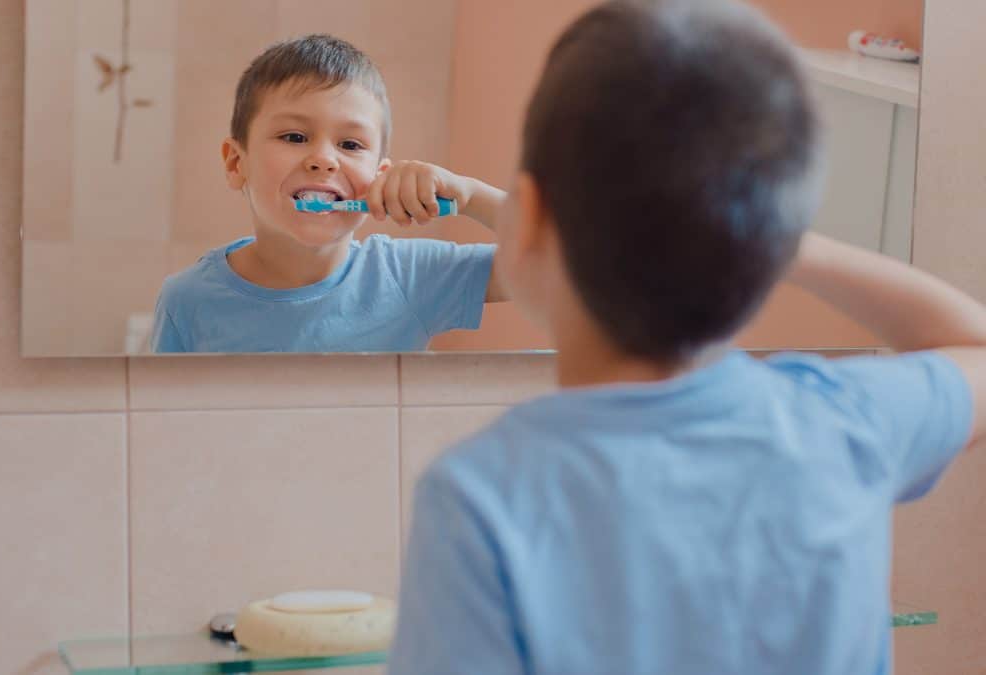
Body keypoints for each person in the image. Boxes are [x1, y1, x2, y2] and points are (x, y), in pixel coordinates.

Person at [388, 1, 985, 674]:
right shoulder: (843, 426)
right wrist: (778, 240)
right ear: (766, 247)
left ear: (523, 221)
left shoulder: (484, 499)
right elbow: (977, 347)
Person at [152, 34, 507, 353]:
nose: (324, 159)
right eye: (294, 137)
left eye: (350, 144)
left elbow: (557, 257)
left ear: (378, 177)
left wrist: (471, 196)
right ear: (235, 164)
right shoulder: (188, 301)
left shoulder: (409, 277)